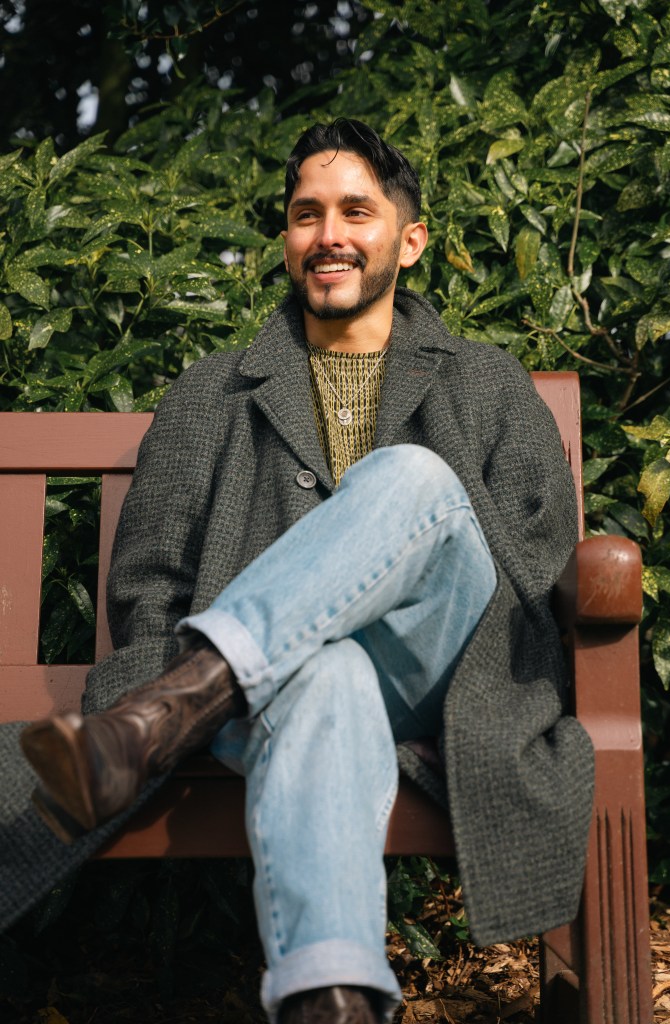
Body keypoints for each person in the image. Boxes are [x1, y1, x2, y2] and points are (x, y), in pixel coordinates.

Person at [16, 119, 594, 1024]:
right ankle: (331, 1004)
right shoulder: (210, 392)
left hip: (445, 668)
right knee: (329, 672)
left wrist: (410, 535)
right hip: (279, 697)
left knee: (410, 477)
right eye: (304, 213)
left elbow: (540, 559)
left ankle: (159, 723)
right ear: (285, 240)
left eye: (354, 211)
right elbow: (146, 582)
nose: (327, 233)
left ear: (408, 241)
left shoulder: (484, 383)